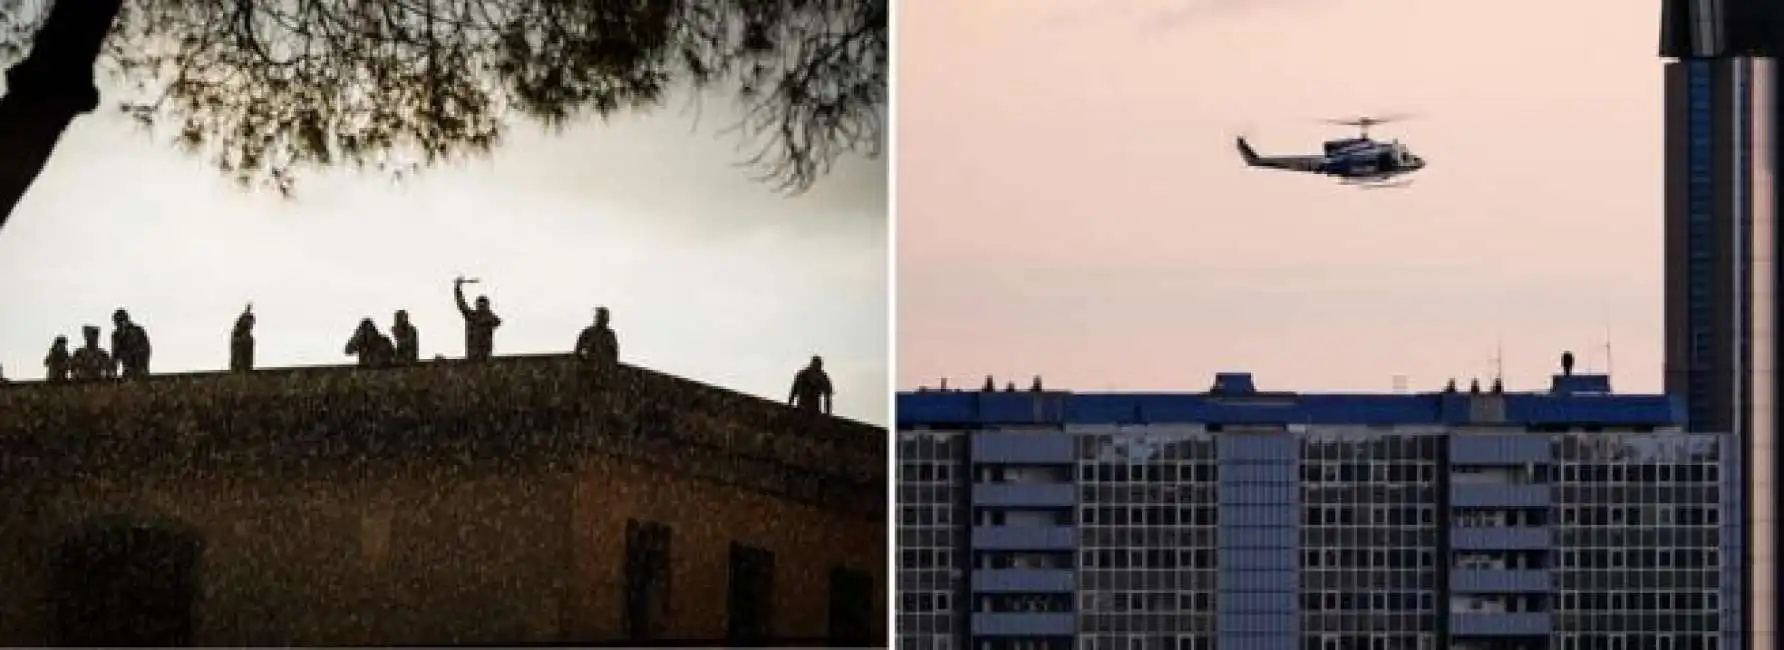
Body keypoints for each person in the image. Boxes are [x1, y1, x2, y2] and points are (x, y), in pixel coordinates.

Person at [453, 277, 502, 361]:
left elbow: (497, 322)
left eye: (483, 305)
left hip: (484, 353)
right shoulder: (472, 316)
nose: (481, 307)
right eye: (480, 304)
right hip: (473, 352)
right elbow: (461, 303)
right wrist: (457, 288)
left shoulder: (488, 317)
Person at [110, 308, 152, 379]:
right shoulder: (116, 335)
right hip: (127, 368)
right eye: (116, 322)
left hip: (140, 367)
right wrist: (112, 370)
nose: (118, 324)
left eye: (121, 320)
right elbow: (115, 354)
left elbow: (146, 349)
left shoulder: (138, 331)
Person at [231, 303, 256, 372]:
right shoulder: (243, 316)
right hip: (240, 337)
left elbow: (252, 323)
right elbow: (239, 325)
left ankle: (247, 365)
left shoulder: (251, 317)